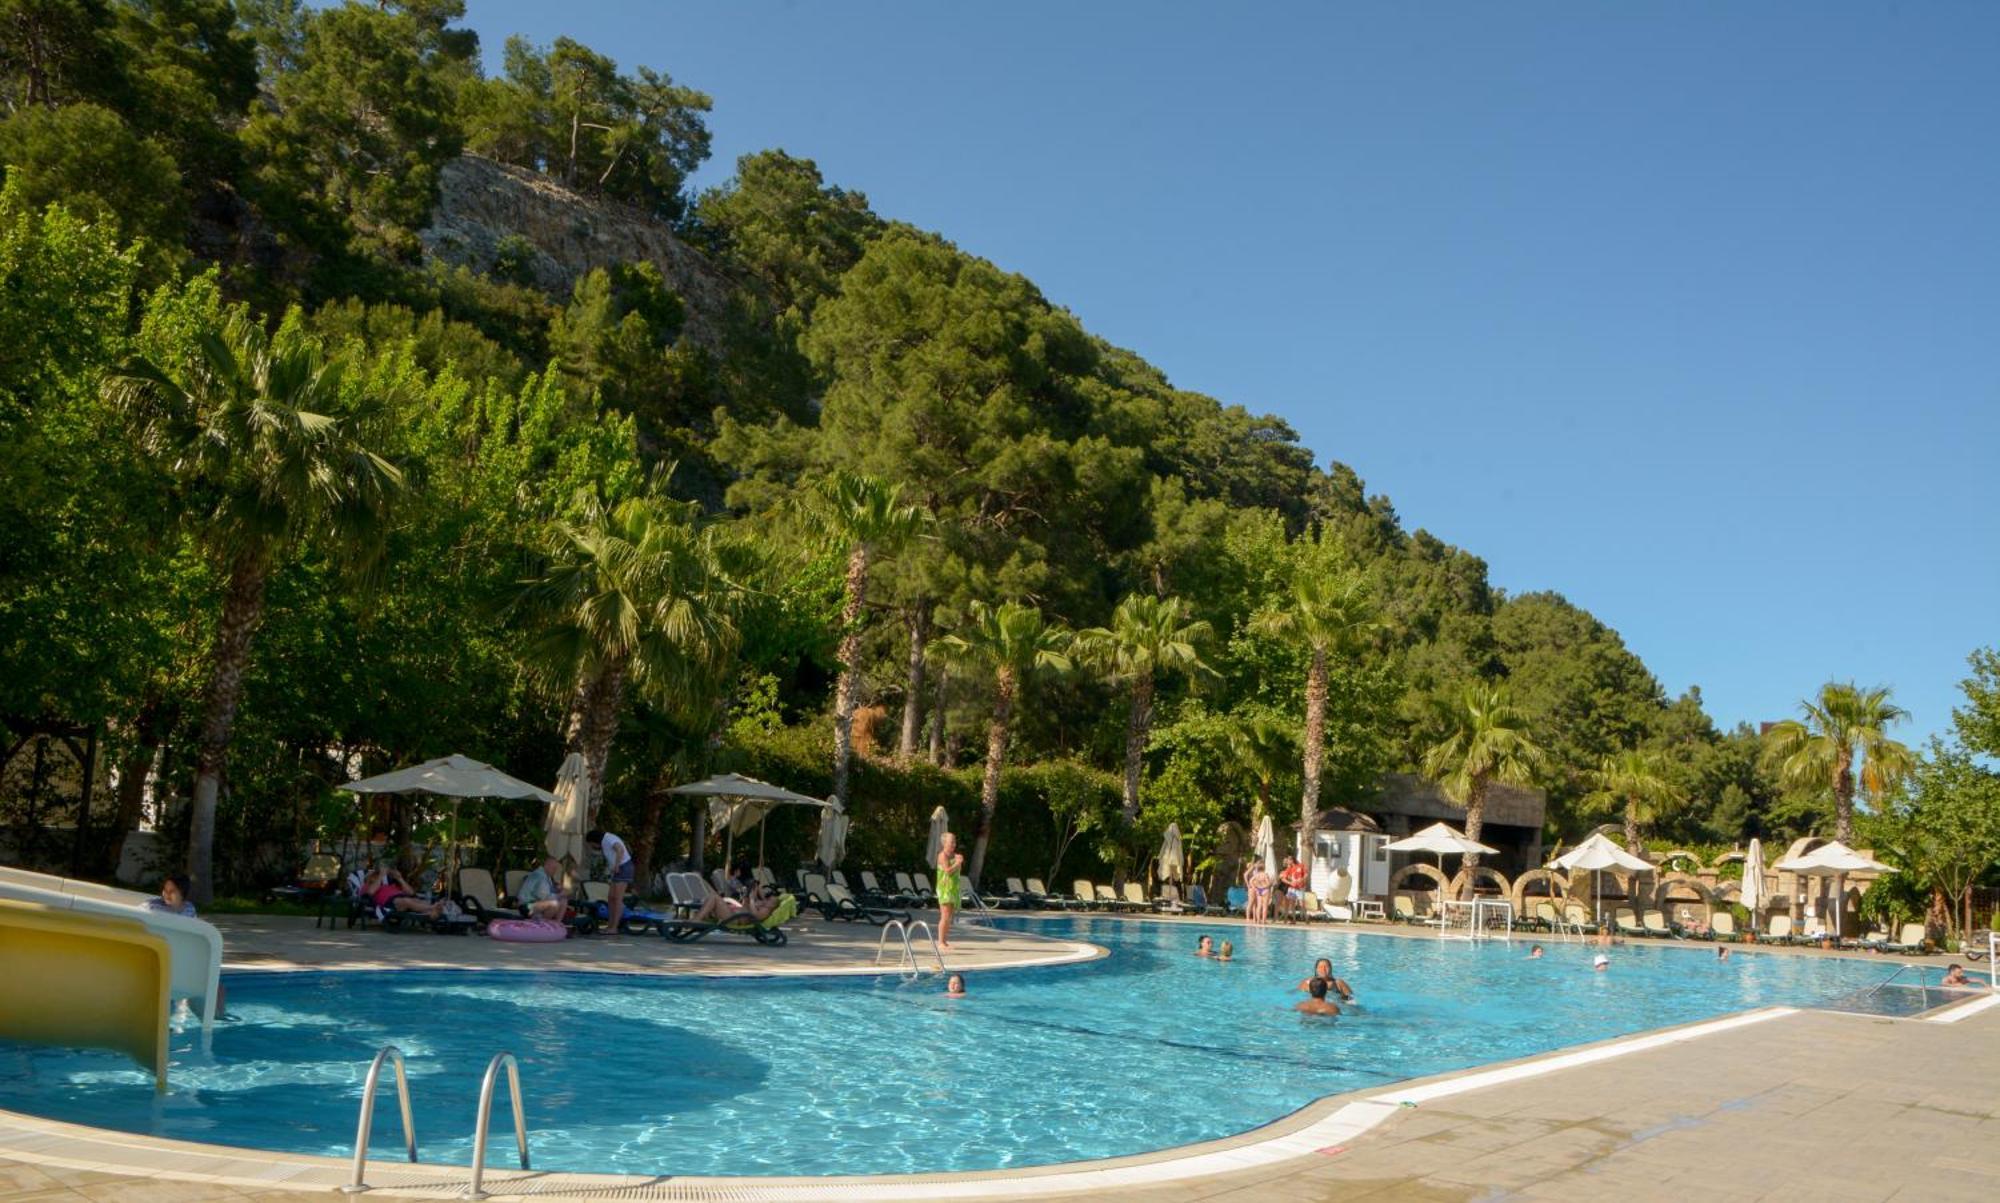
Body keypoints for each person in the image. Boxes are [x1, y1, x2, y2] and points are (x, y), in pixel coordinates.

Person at [586, 829, 632, 935]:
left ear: (594, 840)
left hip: (623, 867)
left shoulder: (608, 839)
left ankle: (614, 927)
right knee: (611, 898)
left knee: (617, 899)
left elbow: (620, 849)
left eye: (591, 844)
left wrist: (616, 865)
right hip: (619, 869)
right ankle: (610, 925)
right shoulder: (605, 840)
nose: (592, 846)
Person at [361, 866, 445, 921]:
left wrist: (400, 878)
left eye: (376, 875)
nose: (376, 876)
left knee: (415, 900)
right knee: (406, 901)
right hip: (389, 901)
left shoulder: (390, 885)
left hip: (403, 898)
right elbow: (370, 893)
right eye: (373, 876)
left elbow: (411, 892)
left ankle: (432, 912)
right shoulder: (367, 886)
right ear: (368, 879)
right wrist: (380, 876)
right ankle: (433, 907)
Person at [692, 886, 782, 925]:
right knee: (712, 897)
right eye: (769, 899)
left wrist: (751, 900)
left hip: (733, 919)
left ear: (773, 906)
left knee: (714, 897)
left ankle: (696, 920)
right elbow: (745, 907)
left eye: (770, 901)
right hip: (733, 914)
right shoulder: (762, 905)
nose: (767, 900)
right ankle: (697, 918)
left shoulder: (766, 910)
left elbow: (755, 916)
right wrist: (748, 897)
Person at [935, 831, 964, 948]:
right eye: (951, 842)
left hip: (953, 888)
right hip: (945, 888)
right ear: (944, 843)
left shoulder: (954, 856)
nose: (954, 844)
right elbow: (948, 871)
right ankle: (940, 942)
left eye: (954, 842)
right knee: (945, 916)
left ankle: (944, 940)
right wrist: (958, 863)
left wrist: (958, 862)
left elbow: (957, 872)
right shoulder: (942, 855)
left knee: (949, 917)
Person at [515, 856, 566, 921]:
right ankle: (542, 926)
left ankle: (557, 925)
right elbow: (544, 896)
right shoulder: (539, 875)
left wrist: (557, 890)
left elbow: (548, 892)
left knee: (563, 900)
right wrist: (560, 894)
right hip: (526, 906)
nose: (555, 871)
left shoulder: (547, 876)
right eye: (553, 868)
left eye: (555, 869)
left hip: (536, 904)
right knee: (554, 905)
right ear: (546, 866)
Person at [1279, 855, 1308, 922]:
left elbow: (1306, 875)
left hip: (1300, 888)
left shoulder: (1301, 865)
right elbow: (1283, 878)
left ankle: (1306, 919)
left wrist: (1302, 879)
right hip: (1292, 888)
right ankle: (1293, 919)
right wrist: (1290, 883)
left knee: (1301, 903)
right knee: (1291, 903)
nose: (1287, 862)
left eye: (1288, 861)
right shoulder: (1289, 868)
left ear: (1292, 860)